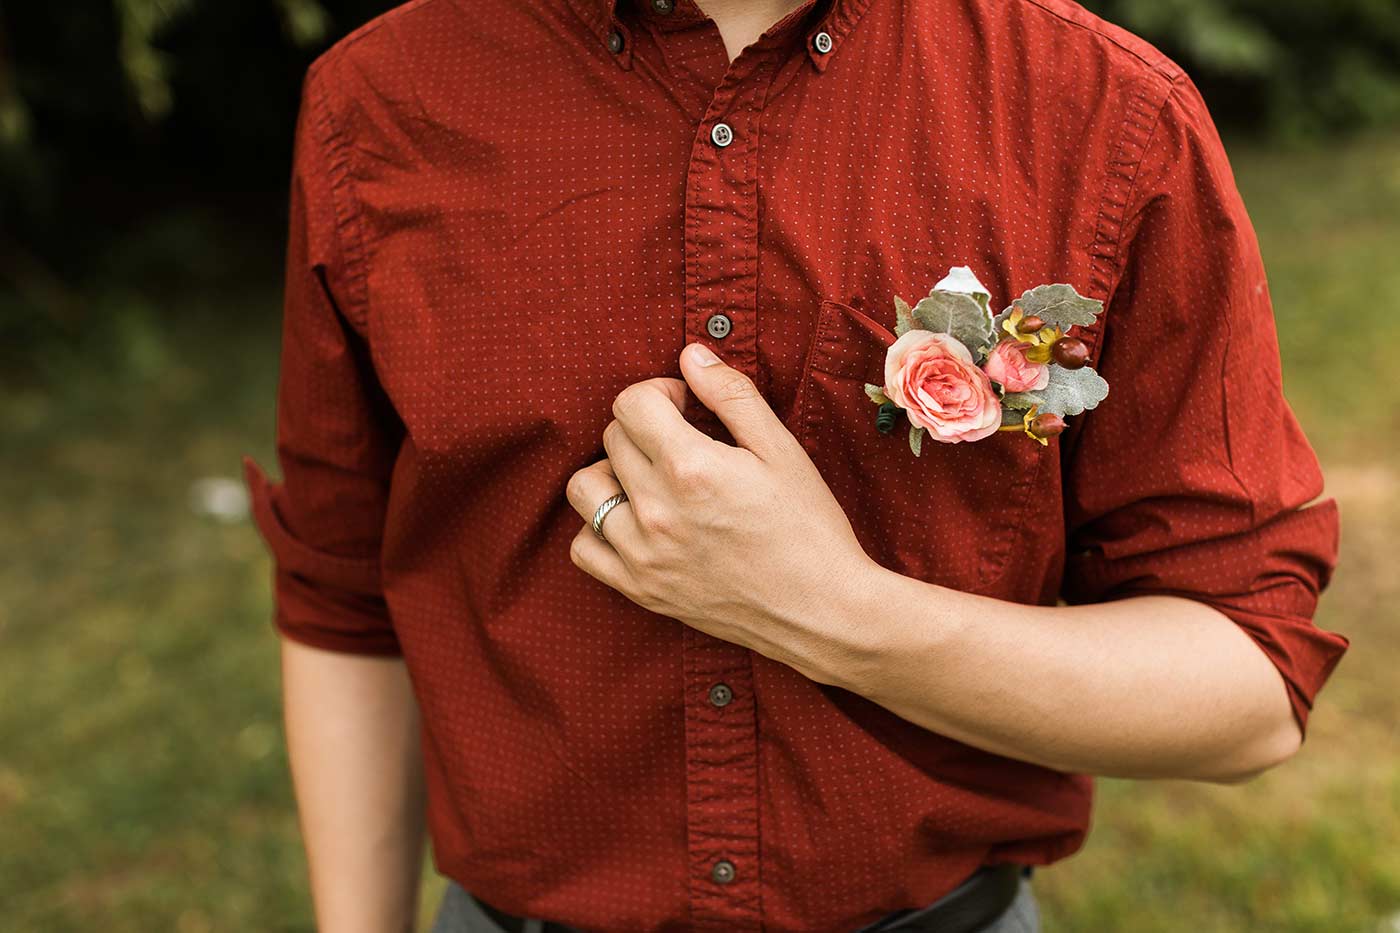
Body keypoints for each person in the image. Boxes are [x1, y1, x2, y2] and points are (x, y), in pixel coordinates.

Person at [241, 0, 1350, 929]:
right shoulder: (380, 103)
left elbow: (1246, 688)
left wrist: (831, 611)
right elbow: (343, 597)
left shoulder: (1102, 113)